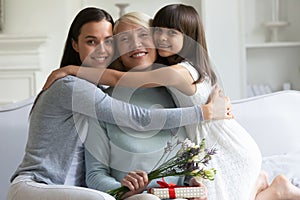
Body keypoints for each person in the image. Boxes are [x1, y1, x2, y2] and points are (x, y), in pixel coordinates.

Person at [6, 7, 229, 200]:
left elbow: (194, 148)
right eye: (91, 41)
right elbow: (137, 118)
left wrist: (194, 179)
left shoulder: (174, 89)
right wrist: (205, 112)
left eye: (108, 41)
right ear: (75, 45)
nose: (102, 49)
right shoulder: (73, 87)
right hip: (40, 185)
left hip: (76, 189)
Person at [84, 12, 208, 200]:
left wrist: (194, 182)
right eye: (125, 39)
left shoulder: (178, 94)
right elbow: (94, 175)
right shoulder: (102, 103)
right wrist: (123, 189)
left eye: (143, 35)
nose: (136, 44)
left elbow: (192, 154)